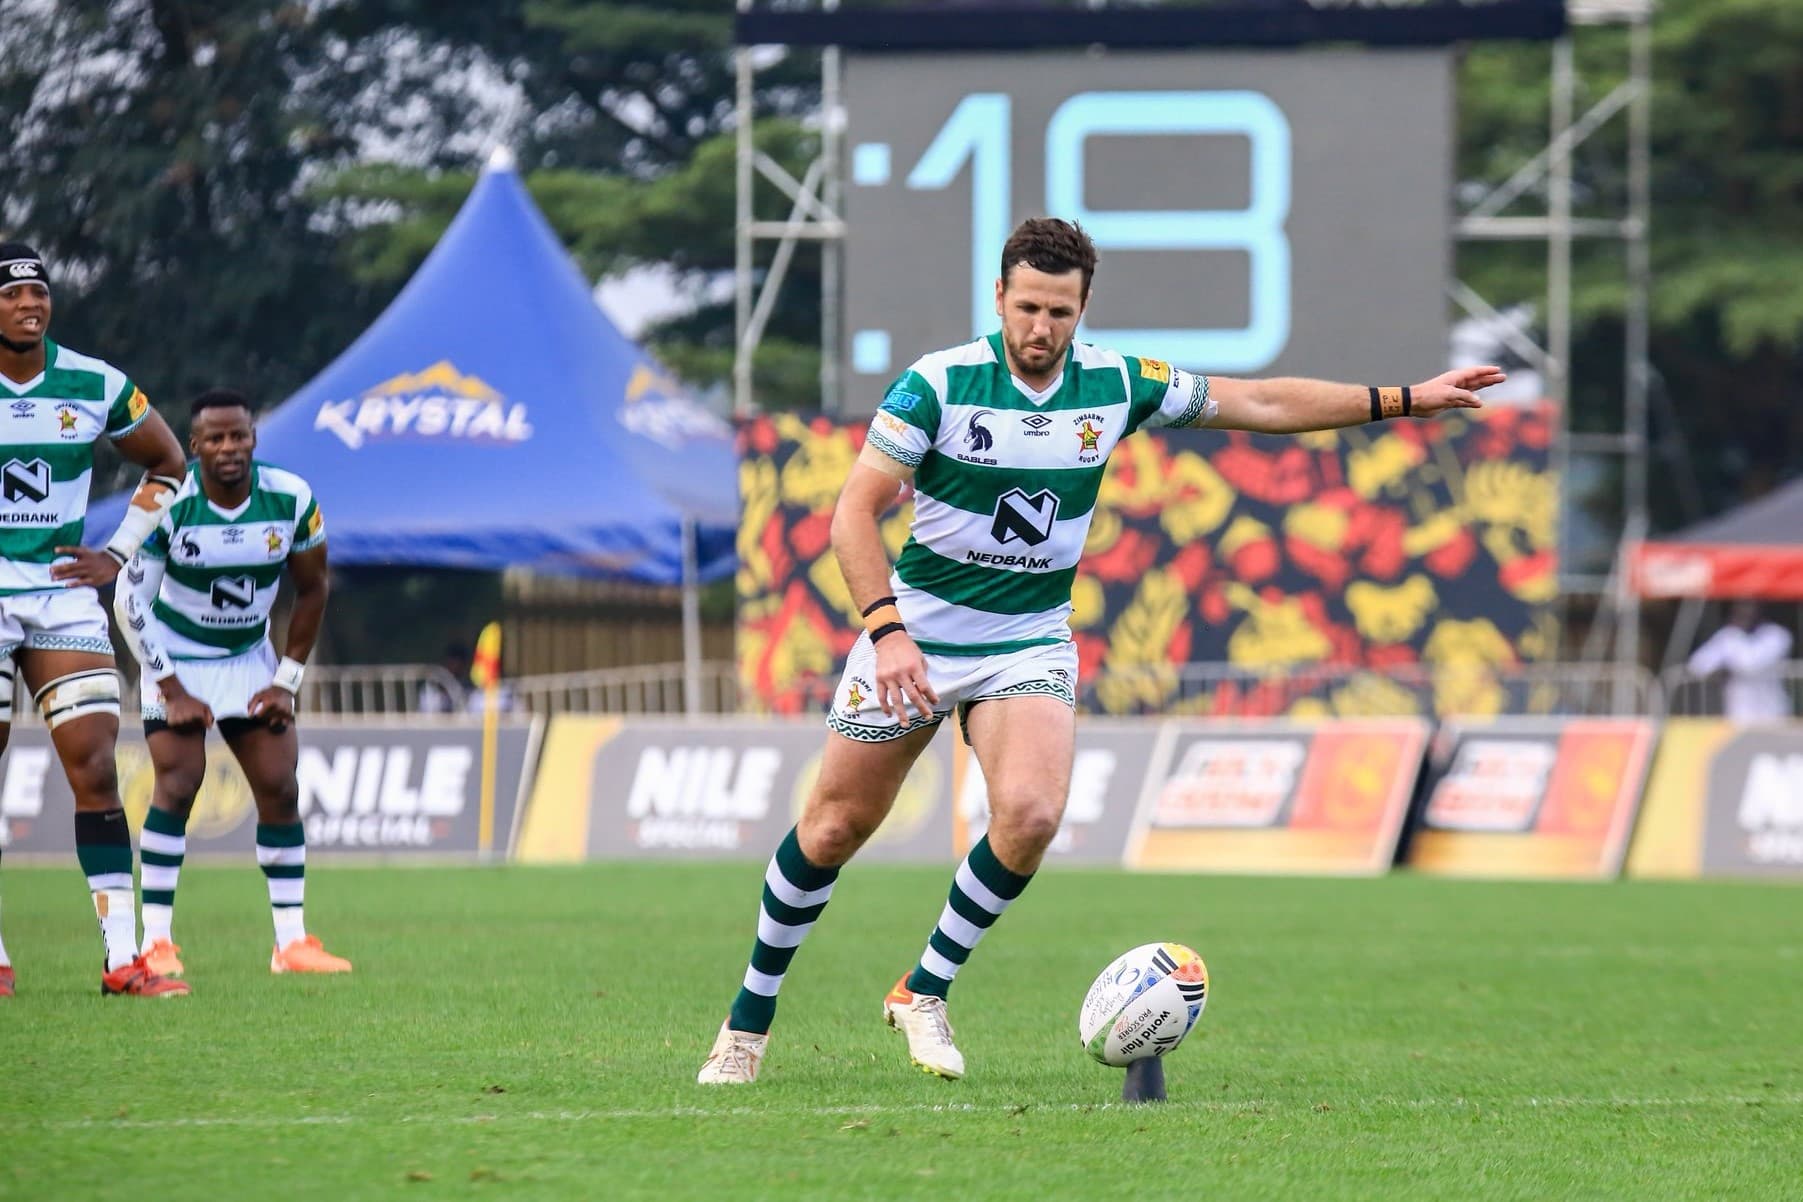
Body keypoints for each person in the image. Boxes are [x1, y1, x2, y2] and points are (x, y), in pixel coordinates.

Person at [696, 217, 1505, 1083]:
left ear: (1083, 309)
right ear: (998, 297)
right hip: (919, 633)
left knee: (1033, 816)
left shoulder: (1116, 383)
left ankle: (921, 990)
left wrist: (1403, 398)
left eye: (1060, 312)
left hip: (1029, 639)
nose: (1041, 328)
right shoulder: (935, 386)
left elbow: (1260, 404)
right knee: (832, 827)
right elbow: (851, 515)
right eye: (1028, 307)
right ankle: (747, 1024)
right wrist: (887, 631)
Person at [0, 242, 191, 998]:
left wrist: (118, 551)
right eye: (12, 296)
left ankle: (121, 960)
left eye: (38, 293)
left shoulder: (93, 382)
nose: (29, 305)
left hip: (60, 590)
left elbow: (169, 464)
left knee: (95, 766)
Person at [115, 389, 351, 977]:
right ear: (194, 446)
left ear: (254, 438)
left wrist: (286, 681)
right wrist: (171, 688)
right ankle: (157, 943)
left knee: (280, 786)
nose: (228, 448)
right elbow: (128, 599)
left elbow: (314, 588)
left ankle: (290, 945)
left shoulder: (290, 498)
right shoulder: (170, 503)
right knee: (179, 781)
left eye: (238, 435)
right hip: (173, 657)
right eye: (215, 438)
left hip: (247, 657)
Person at [1687, 600, 1793, 723]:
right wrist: (1720, 670)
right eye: (1740, 608)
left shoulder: (1776, 634)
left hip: (1772, 714)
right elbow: (1697, 665)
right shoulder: (1728, 634)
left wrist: (1727, 664)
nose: (1744, 612)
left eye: (1749, 607)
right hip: (1738, 713)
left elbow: (1750, 665)